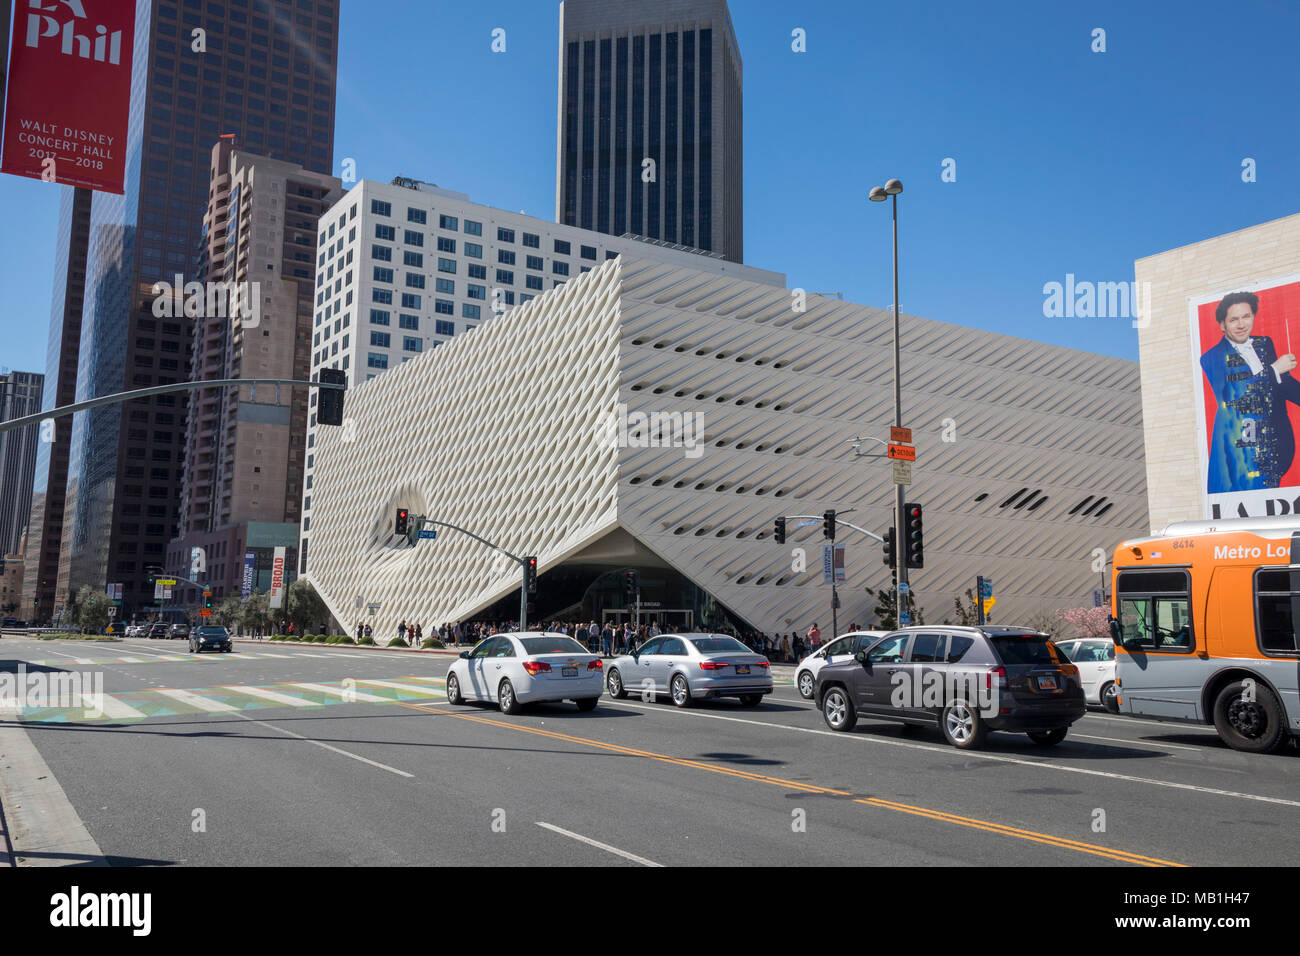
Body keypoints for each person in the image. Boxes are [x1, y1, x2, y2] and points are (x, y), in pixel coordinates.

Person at [1200, 290, 1300, 492]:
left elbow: (1282, 384)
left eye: (1246, 316)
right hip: (1242, 452)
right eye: (1233, 319)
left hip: (1276, 446)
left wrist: (1279, 374)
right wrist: (1274, 370)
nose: (1241, 324)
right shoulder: (1211, 357)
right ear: (1222, 325)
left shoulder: (1264, 343)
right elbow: (1236, 394)